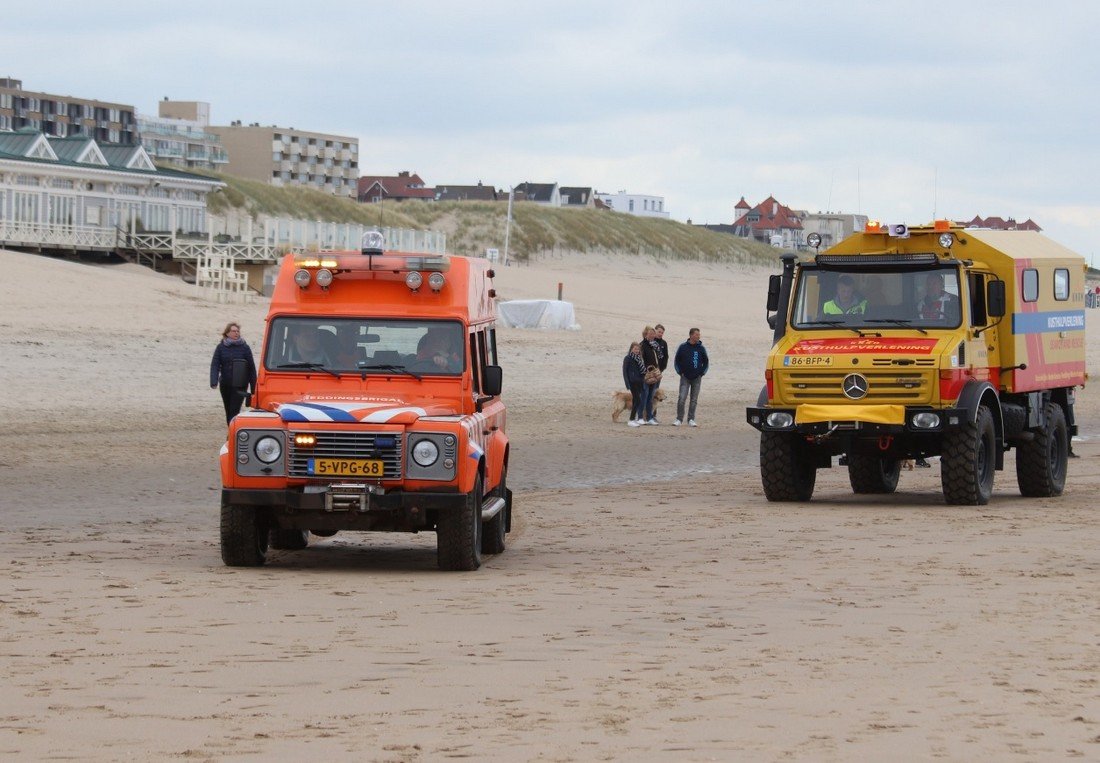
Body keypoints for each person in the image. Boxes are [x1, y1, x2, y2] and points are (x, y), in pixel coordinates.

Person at [210, 321, 257, 425]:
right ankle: (231, 431)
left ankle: (231, 433)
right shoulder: (221, 347)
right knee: (228, 410)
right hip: (225, 384)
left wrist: (254, 387)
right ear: (227, 333)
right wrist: (214, 381)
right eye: (233, 331)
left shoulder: (245, 347)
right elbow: (215, 364)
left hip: (240, 385)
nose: (236, 333)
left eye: (237, 331)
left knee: (234, 410)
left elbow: (251, 368)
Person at [673, 328, 709, 427]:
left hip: (697, 378)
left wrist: (701, 373)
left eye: (699, 334)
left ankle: (691, 419)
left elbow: (706, 362)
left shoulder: (701, 348)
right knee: (682, 398)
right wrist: (680, 372)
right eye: (697, 334)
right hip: (685, 377)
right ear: (691, 335)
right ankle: (679, 419)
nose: (699, 336)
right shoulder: (683, 347)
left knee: (694, 400)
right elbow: (676, 361)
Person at [622, 341, 647, 427]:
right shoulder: (627, 358)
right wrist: (627, 384)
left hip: (640, 382)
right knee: (638, 400)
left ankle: (634, 418)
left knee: (635, 400)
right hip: (632, 382)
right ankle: (631, 420)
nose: (637, 351)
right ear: (631, 349)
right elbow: (624, 372)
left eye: (638, 349)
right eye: (635, 349)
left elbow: (642, 371)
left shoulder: (639, 358)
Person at [640, 326, 661, 425]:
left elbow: (660, 358)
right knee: (644, 397)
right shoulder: (642, 345)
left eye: (653, 334)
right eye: (650, 334)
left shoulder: (654, 345)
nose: (653, 335)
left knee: (650, 397)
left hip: (654, 375)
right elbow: (640, 361)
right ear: (645, 334)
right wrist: (644, 373)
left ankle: (649, 418)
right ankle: (640, 417)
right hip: (645, 375)